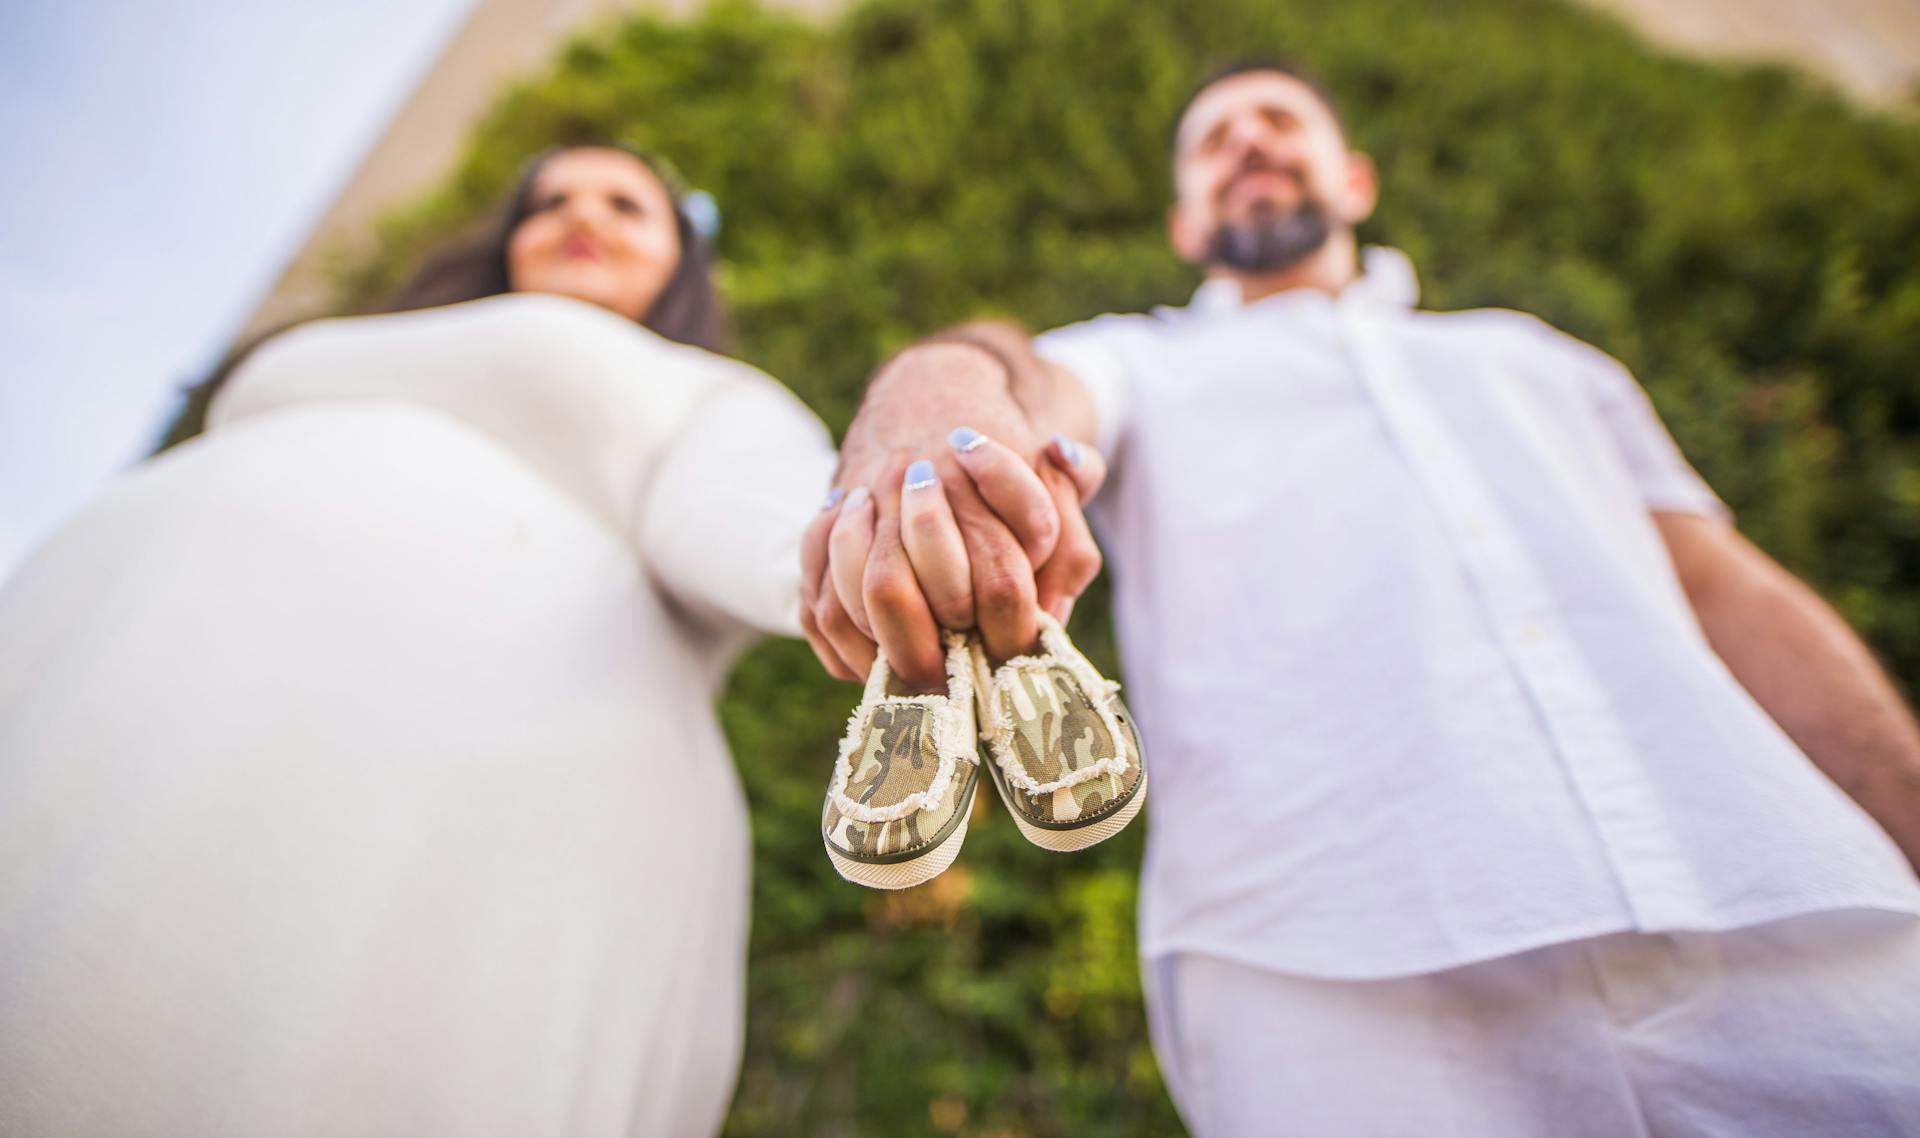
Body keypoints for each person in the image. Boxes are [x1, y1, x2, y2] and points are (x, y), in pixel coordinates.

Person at [805, 59, 1920, 1136]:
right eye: (1211, 140)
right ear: (1187, 226)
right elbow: (1021, 379)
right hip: (1319, 969)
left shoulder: (1536, 358)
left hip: (1789, 901)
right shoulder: (1138, 364)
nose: (1249, 141)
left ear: (1356, 182)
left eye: (1280, 121)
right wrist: (931, 387)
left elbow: (1727, 590)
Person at [0, 144, 862, 1137]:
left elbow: (750, 514)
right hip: (111, 677)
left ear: (682, 257)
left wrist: (858, 566)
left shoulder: (704, 390)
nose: (581, 216)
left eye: (625, 203)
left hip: (491, 756)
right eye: (548, 201)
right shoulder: (387, 338)